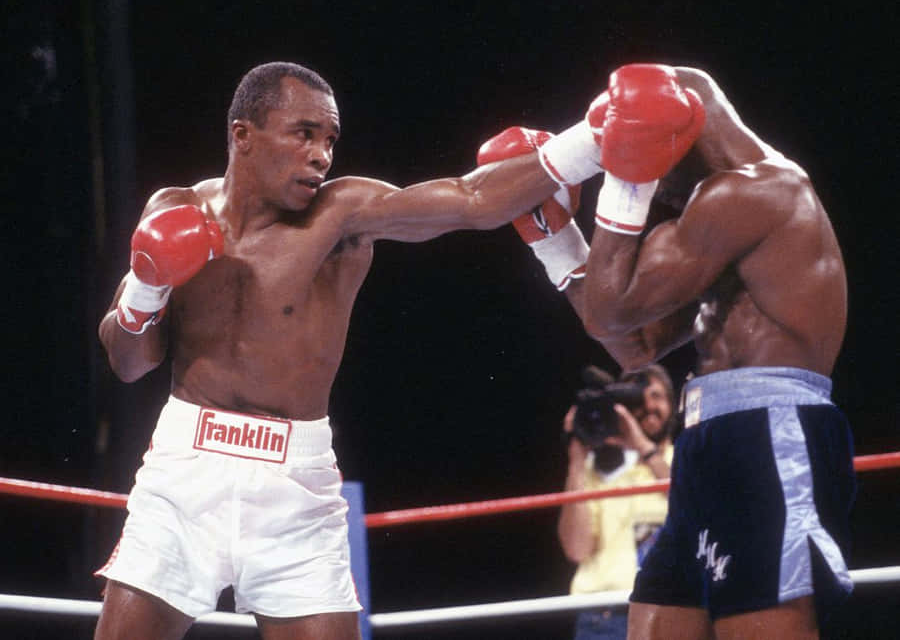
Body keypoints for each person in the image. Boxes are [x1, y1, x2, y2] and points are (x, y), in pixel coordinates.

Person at [94, 61, 609, 640]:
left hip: (296, 485)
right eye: (304, 133)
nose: (322, 155)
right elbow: (129, 362)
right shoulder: (174, 209)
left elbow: (472, 198)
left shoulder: (342, 213)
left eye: (330, 139)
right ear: (243, 135)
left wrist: (597, 136)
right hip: (184, 473)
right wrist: (146, 288)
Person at [512, 63, 853, 639]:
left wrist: (626, 182)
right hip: (705, 440)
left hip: (768, 432)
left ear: (676, 129)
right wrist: (554, 239)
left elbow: (607, 310)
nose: (658, 186)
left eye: (637, 145)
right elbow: (632, 347)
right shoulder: (707, 215)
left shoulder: (757, 191)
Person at [558, 364, 677, 640]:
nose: (648, 405)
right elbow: (577, 549)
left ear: (672, 405)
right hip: (602, 616)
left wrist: (641, 446)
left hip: (669, 610)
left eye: (656, 396)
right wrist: (576, 459)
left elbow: (693, 504)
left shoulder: (684, 460)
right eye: (637, 398)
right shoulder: (595, 470)